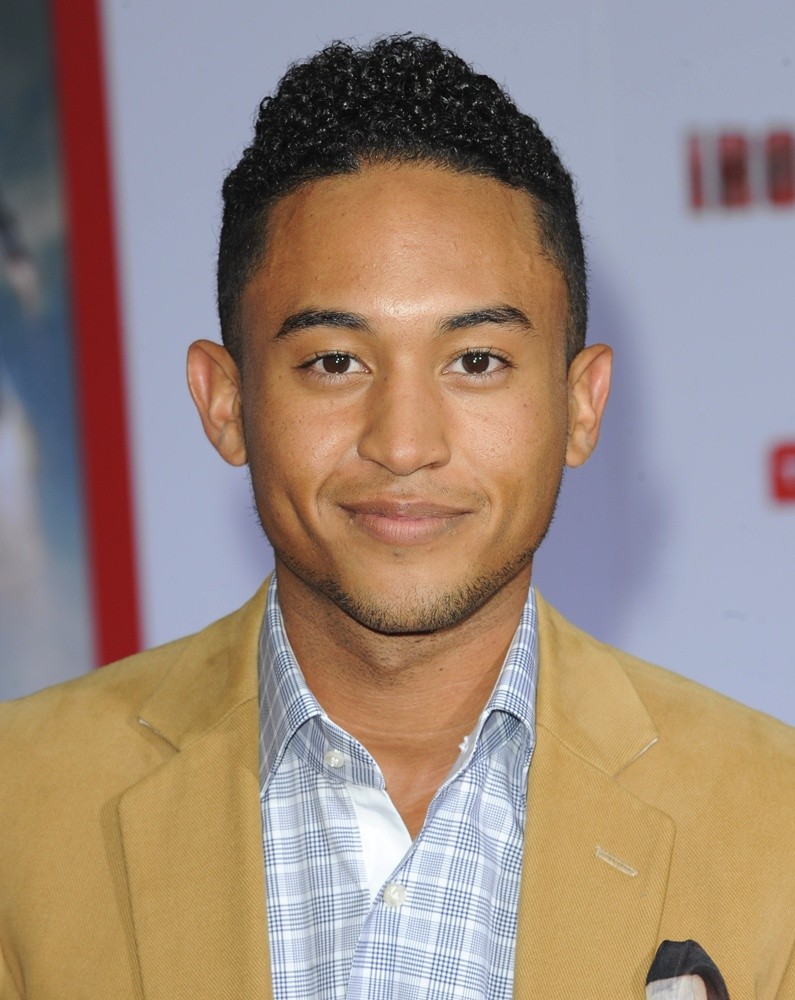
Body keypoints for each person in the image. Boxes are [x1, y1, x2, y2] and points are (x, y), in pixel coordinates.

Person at [1, 35, 793, 1000]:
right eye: (335, 361)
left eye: (476, 361)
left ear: (580, 405)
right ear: (225, 402)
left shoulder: (772, 825)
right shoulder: (20, 811)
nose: (404, 442)